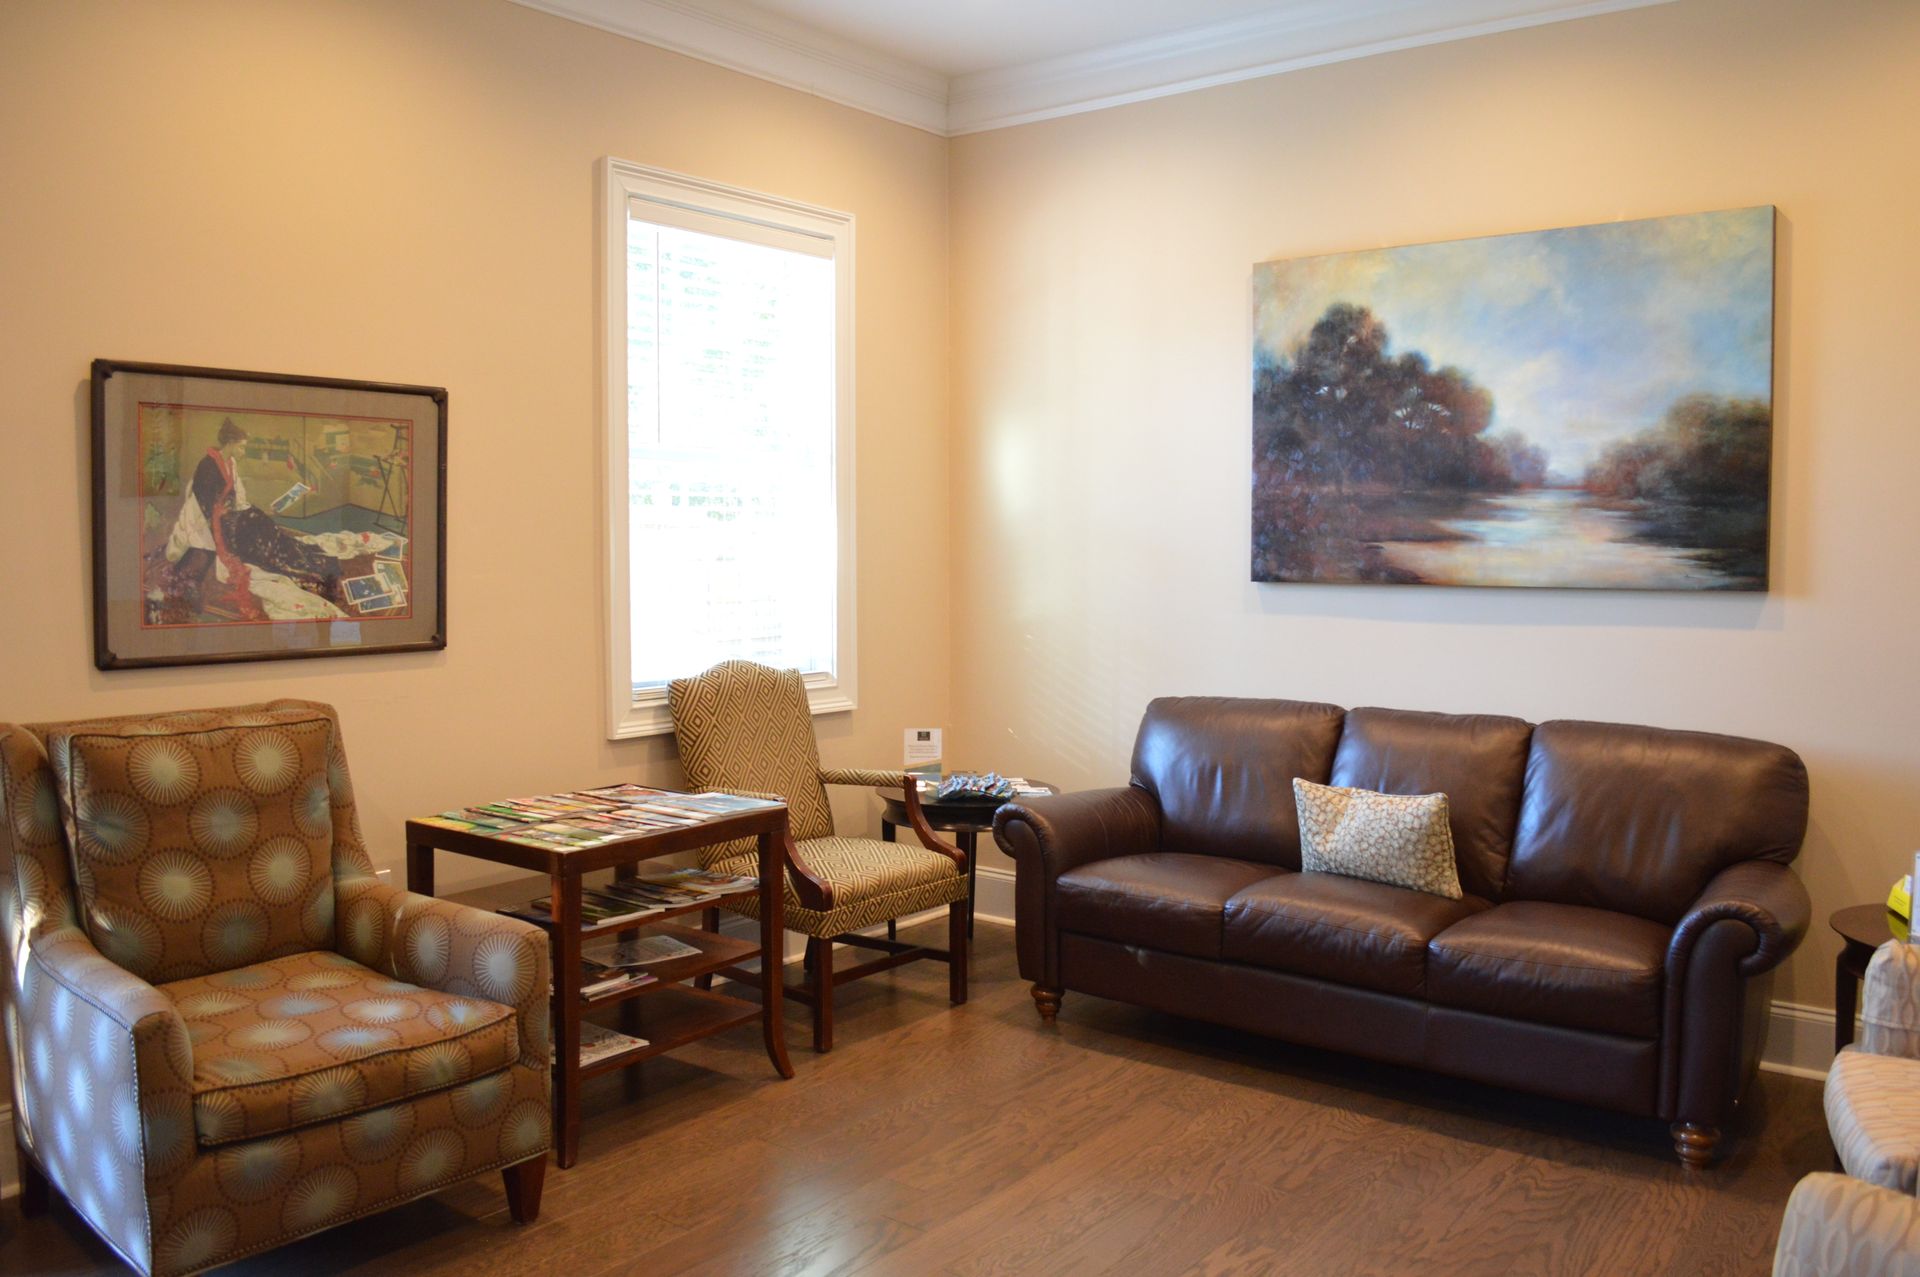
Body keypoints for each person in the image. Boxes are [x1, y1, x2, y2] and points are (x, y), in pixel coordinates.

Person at [151, 419, 344, 620]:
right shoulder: (207, 465)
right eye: (242, 447)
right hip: (205, 518)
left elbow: (235, 493)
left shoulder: (230, 462)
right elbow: (204, 501)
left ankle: (281, 549)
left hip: (225, 512)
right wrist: (228, 516)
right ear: (231, 443)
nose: (244, 451)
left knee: (261, 522)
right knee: (248, 533)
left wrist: (243, 508)